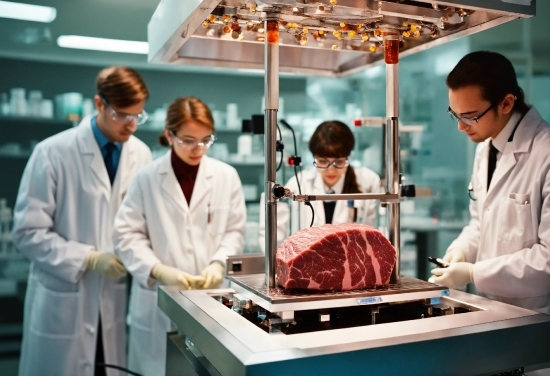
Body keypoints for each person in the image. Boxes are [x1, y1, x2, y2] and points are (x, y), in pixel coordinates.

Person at [12, 66, 152, 376]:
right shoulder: (52, 152)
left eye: (138, 116)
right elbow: (27, 231)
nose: (131, 125)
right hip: (64, 295)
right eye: (123, 115)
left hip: (112, 294)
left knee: (107, 365)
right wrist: (86, 257)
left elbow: (139, 221)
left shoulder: (140, 155)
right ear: (99, 104)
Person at [113, 96, 246, 376]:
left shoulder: (226, 176)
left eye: (205, 140)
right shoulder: (146, 178)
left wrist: (217, 263)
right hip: (157, 299)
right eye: (188, 140)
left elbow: (234, 230)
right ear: (169, 135)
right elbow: (126, 234)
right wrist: (157, 269)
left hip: (211, 298)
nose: (198, 148)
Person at [431, 51, 550, 317]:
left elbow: (548, 259)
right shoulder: (487, 147)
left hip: (536, 314)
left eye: (470, 116)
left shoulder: (546, 153)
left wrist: (474, 272)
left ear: (506, 103)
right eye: (455, 114)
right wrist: (460, 251)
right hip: (490, 307)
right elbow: (481, 223)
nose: (461, 127)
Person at [260, 120, 381, 251]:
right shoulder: (298, 183)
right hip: (307, 265)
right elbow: (273, 236)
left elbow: (372, 236)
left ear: (349, 157)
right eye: (323, 161)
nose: (331, 169)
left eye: (339, 162)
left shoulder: (367, 182)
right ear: (314, 157)